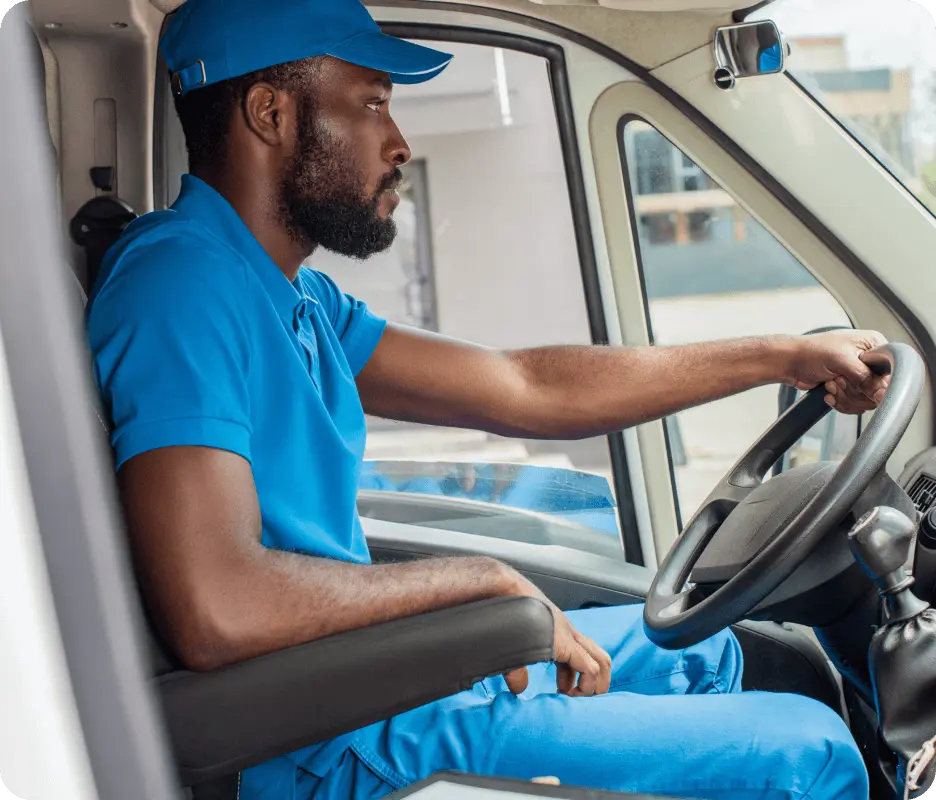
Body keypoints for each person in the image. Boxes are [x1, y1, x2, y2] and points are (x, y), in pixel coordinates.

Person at [86, 0, 884, 797]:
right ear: (269, 113)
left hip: (383, 684)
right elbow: (217, 606)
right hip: (328, 740)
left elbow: (525, 386)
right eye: (371, 103)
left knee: (715, 652)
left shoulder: (294, 297)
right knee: (808, 752)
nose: (398, 144)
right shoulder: (181, 285)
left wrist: (782, 357)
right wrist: (476, 580)